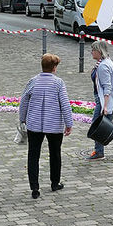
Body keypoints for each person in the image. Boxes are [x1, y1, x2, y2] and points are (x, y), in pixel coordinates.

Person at [19, 53, 74, 199]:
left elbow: (23, 101)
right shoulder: (58, 83)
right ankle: (55, 183)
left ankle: (34, 187)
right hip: (54, 124)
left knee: (33, 155)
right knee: (55, 153)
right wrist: (69, 123)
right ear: (54, 67)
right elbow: (65, 104)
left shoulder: (33, 81)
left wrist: (22, 119)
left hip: (34, 123)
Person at [88, 41, 113, 160]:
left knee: (102, 126)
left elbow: (107, 87)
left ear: (99, 51)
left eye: (93, 49)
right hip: (103, 100)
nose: (91, 52)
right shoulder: (104, 62)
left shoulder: (103, 66)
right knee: (104, 126)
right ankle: (99, 151)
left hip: (103, 101)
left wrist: (105, 106)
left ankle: (100, 151)